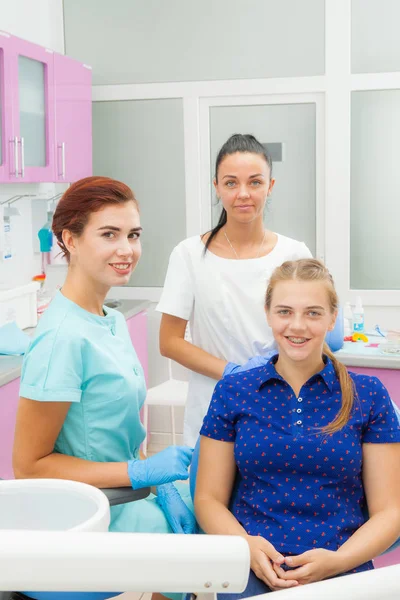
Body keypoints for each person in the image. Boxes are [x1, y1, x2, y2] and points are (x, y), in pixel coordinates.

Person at [13, 178, 195, 578]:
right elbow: (29, 467)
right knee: (206, 554)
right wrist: (139, 473)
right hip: (96, 511)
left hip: (129, 495)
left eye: (133, 234)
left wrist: (156, 479)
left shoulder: (108, 319)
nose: (126, 249)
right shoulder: (62, 338)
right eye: (109, 234)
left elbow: (121, 435)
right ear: (71, 240)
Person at [194, 258, 400, 599]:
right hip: (251, 565)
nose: (297, 326)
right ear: (268, 314)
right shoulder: (234, 391)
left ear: (334, 317)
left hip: (343, 568)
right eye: (285, 311)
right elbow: (208, 499)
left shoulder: (369, 394)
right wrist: (245, 547)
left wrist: (338, 561)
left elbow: (390, 511)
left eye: (313, 313)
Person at [157, 134, 313, 447]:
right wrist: (232, 372)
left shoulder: (294, 254)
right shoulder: (189, 255)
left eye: (255, 182)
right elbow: (170, 341)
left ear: (270, 186)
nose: (243, 194)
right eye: (231, 183)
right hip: (213, 403)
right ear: (216, 186)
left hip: (281, 400)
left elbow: (312, 330)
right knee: (210, 492)